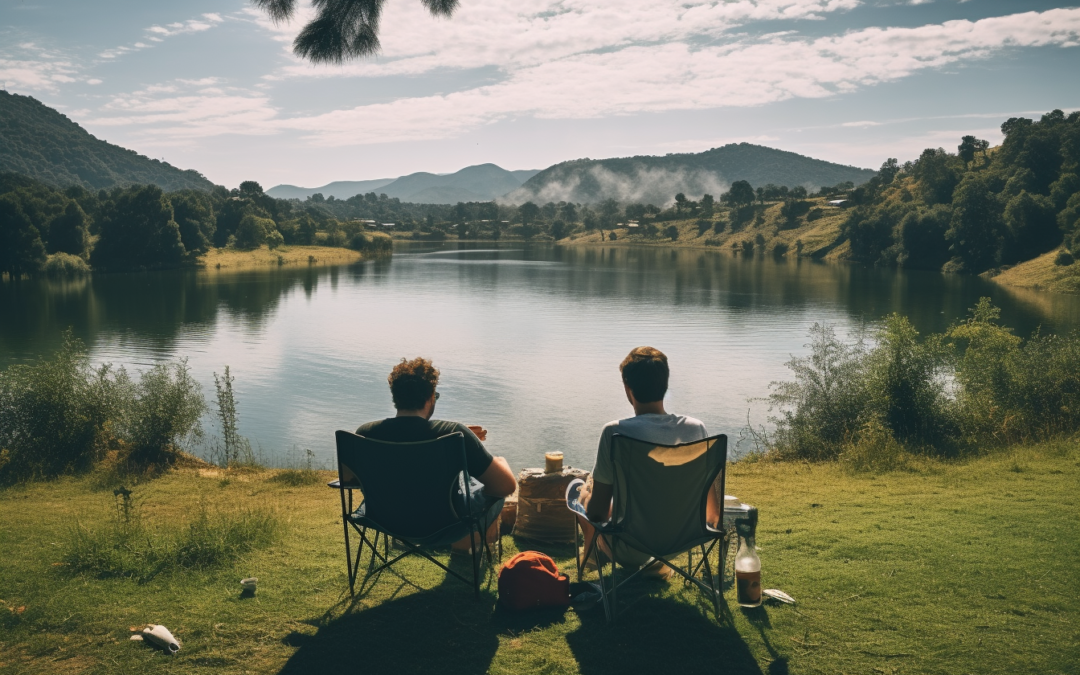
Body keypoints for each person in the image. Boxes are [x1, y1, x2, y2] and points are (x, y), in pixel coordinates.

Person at [568, 346, 719, 577]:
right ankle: (657, 564)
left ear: (628, 389)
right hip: (684, 540)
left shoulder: (615, 432)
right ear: (665, 385)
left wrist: (587, 492)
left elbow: (597, 513)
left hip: (631, 548)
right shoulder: (696, 429)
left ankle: (589, 557)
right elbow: (713, 513)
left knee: (580, 494)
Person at [356, 357, 517, 540]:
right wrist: (495, 457)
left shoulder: (365, 433)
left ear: (395, 397)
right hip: (445, 527)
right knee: (481, 484)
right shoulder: (455, 433)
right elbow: (505, 486)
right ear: (431, 397)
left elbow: (348, 479)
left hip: (382, 521)